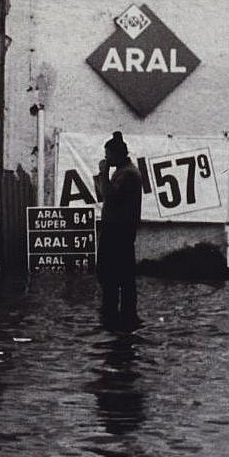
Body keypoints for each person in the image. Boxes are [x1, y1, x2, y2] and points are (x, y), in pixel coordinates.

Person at [96, 130, 143, 332]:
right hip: (117, 229)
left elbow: (109, 195)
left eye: (108, 156)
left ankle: (118, 316)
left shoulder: (128, 174)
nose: (106, 159)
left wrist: (104, 174)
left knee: (116, 275)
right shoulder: (123, 171)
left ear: (117, 155)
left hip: (118, 231)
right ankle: (118, 314)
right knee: (116, 275)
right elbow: (104, 194)